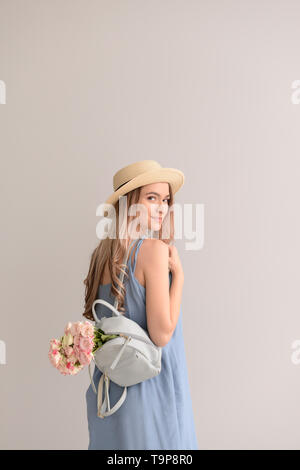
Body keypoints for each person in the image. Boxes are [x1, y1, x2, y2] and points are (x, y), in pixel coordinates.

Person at [83, 160, 199, 450]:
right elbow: (161, 335)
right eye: (151, 198)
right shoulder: (154, 251)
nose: (162, 207)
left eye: (166, 200)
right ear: (129, 203)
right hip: (153, 395)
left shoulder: (101, 256)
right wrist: (180, 278)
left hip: (110, 395)